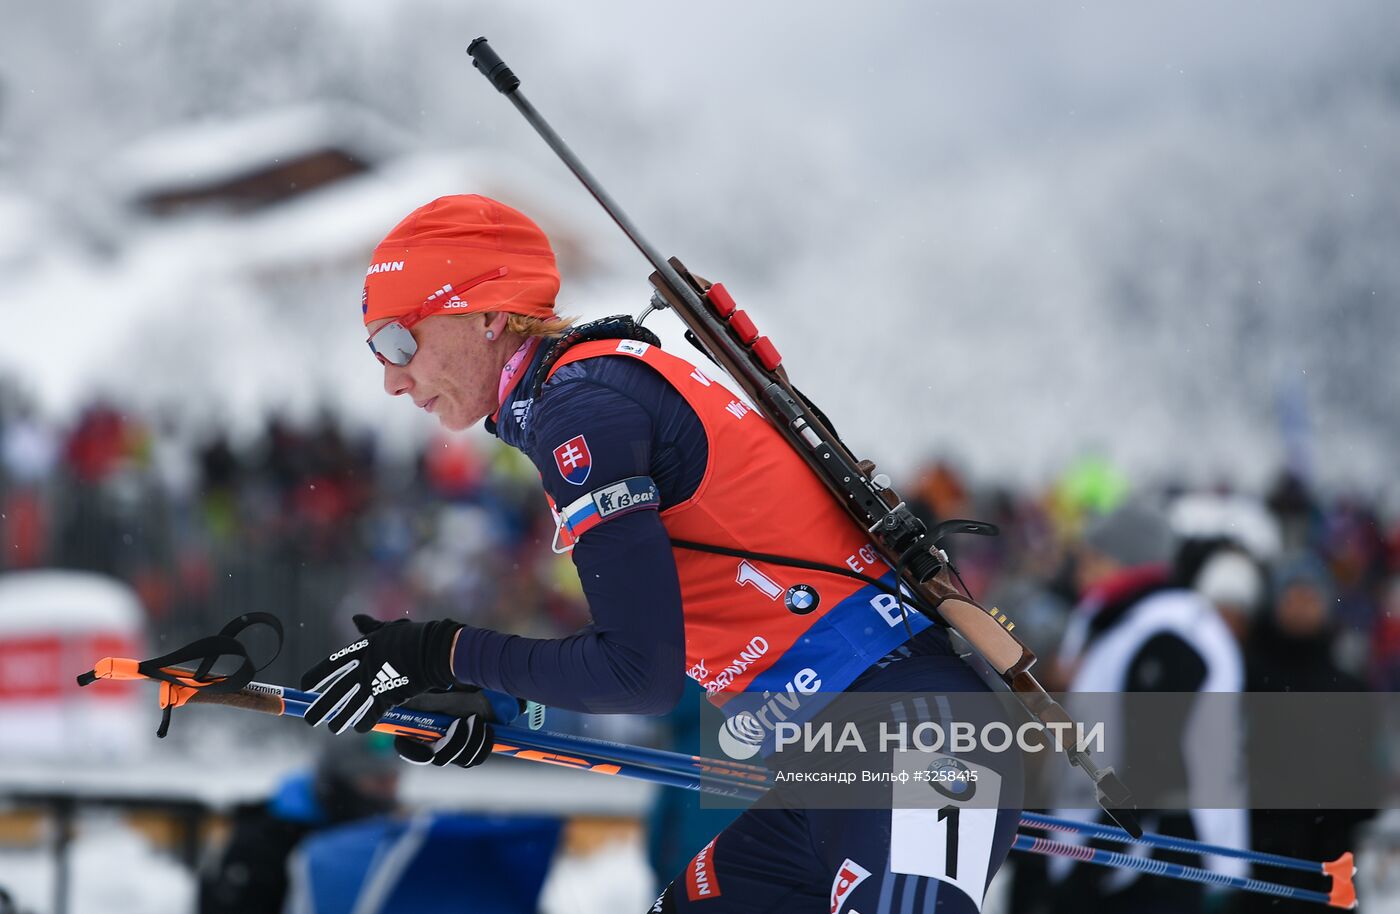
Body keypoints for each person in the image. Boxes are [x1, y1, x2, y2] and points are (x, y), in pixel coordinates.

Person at [299, 194, 1021, 912]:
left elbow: (635, 672)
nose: (391, 378)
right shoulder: (594, 388)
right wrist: (502, 698)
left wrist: (442, 652)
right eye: (376, 350)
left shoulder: (583, 408)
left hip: (915, 736)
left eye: (399, 341)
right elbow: (667, 659)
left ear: (487, 314)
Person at [1048, 501, 1246, 914]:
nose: (1080, 566)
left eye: (1093, 556)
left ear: (1124, 560)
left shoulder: (1170, 630)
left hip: (1157, 856)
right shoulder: (1123, 620)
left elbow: (1155, 765)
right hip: (1119, 848)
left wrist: (1101, 858)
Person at [198, 739, 401, 914]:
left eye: (394, 780)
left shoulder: (391, 834)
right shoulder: (262, 843)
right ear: (341, 778)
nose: (389, 791)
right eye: (379, 780)